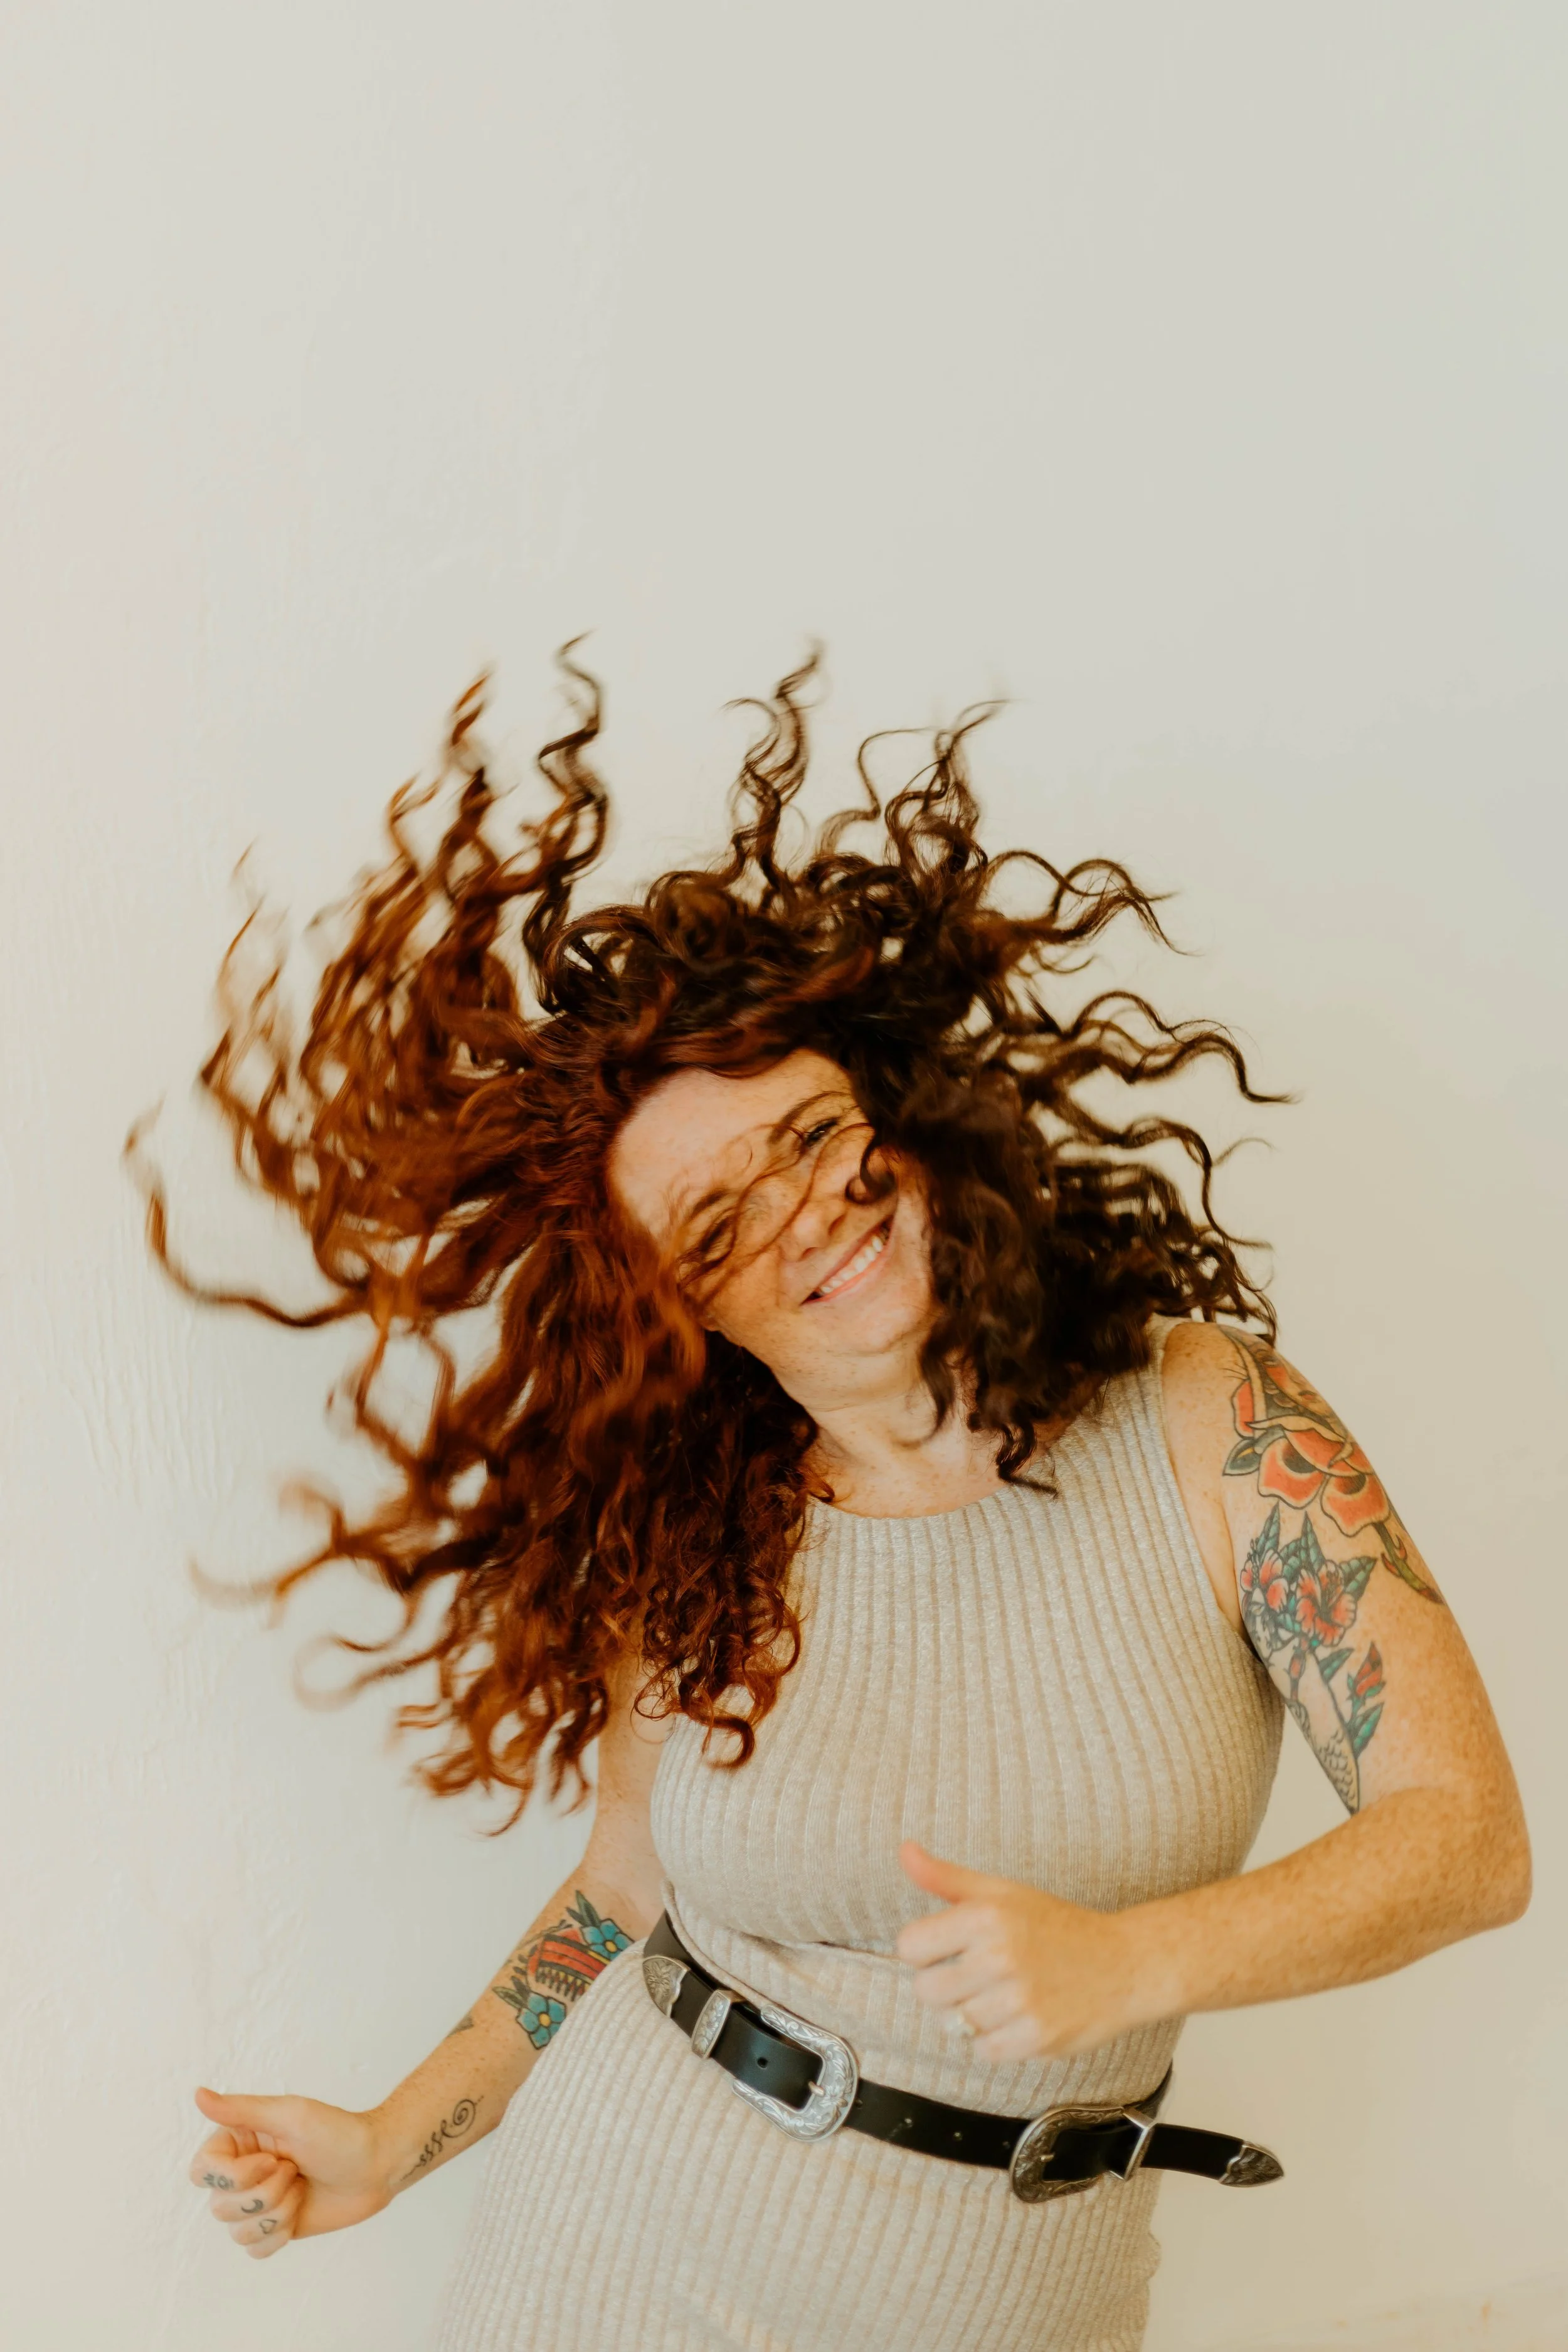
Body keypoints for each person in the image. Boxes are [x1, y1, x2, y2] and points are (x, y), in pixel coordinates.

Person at [152, 657, 1530, 2352]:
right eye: (716, 1221)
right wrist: (392, 2141)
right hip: (610, 2257)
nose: (803, 1212)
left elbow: (1465, 1837)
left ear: (906, 1107)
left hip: (1023, 2298)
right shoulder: (699, 1525)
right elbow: (624, 1894)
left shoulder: (1210, 1419)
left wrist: (1136, 1961)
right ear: (682, 1313)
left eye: (809, 1136)